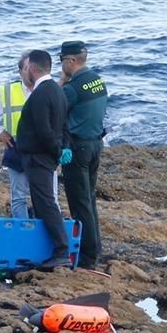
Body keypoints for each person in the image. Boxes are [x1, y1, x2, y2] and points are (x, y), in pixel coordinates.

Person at [14, 48, 71, 269]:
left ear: (31, 68)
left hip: (39, 157)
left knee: (46, 203)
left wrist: (58, 150)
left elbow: (44, 130)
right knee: (42, 203)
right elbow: (65, 125)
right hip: (47, 156)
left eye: (26, 67)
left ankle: (61, 250)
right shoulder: (58, 91)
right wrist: (64, 148)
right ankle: (48, 249)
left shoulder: (40, 94)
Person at [59, 40, 109, 270]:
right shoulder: (97, 80)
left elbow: (54, 106)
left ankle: (88, 257)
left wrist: (61, 83)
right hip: (96, 145)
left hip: (77, 149)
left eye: (62, 62)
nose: (62, 67)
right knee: (89, 199)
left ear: (70, 61)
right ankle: (95, 247)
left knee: (80, 204)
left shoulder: (72, 88)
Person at [0, 51, 36, 218]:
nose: (30, 71)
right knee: (19, 197)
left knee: (47, 196)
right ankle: (21, 232)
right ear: (20, 71)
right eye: (26, 68)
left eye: (33, 68)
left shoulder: (47, 88)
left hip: (42, 149)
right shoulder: (10, 91)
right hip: (16, 148)